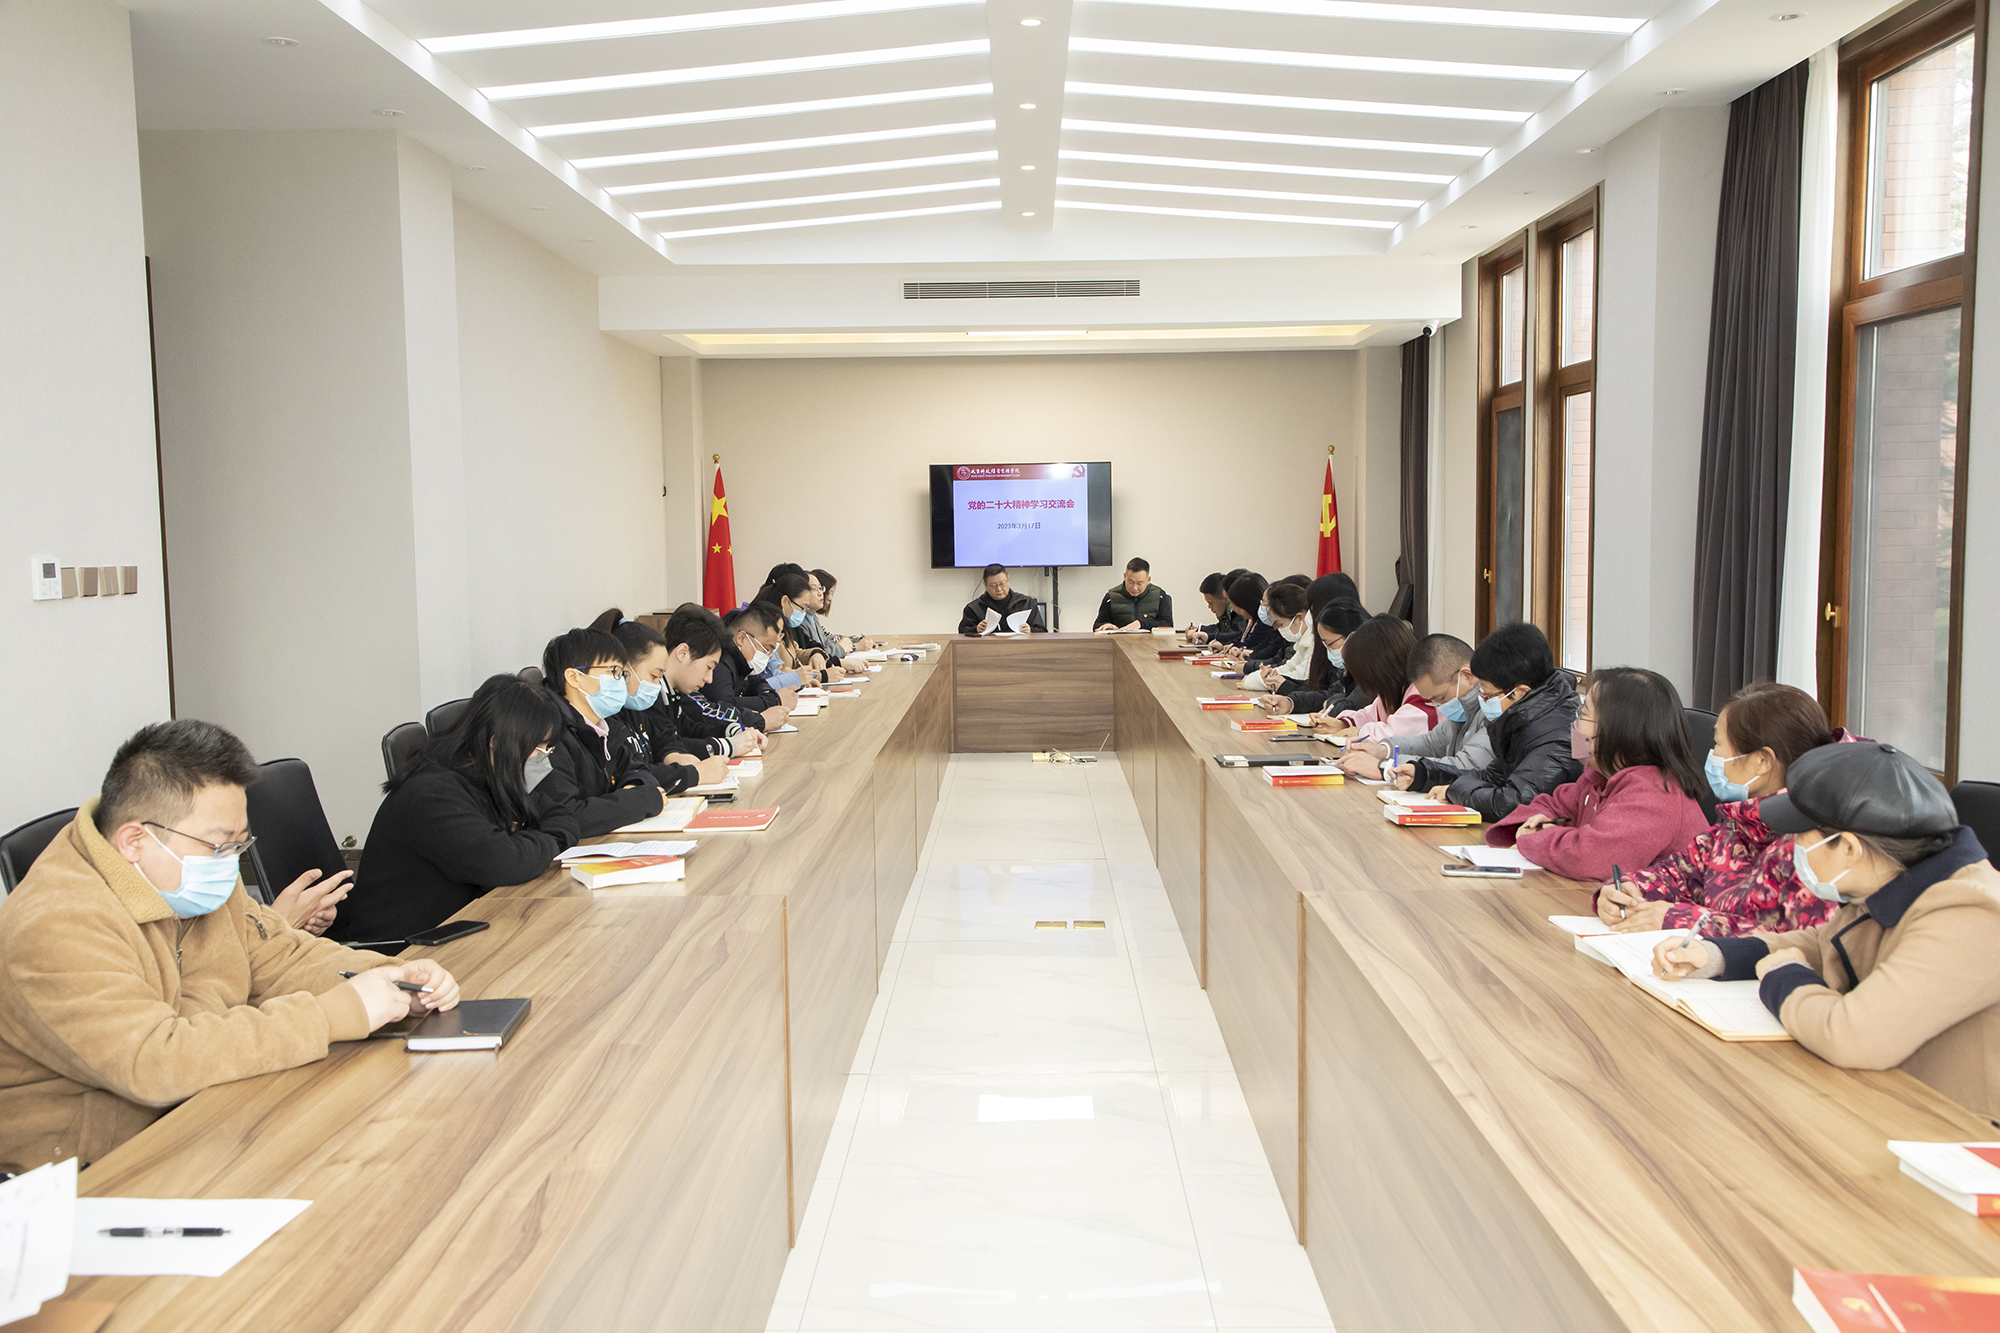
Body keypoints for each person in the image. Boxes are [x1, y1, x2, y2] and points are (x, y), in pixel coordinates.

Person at [0, 720, 459, 1174]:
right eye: (219, 846)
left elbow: (281, 955)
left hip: (203, 1114)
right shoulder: (55, 924)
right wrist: (332, 1015)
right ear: (135, 841)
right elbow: (154, 1060)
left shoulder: (186, 877)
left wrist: (392, 978)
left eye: (239, 846)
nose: (230, 865)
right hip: (84, 1173)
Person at [1653, 743, 2000, 1119]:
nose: (1792, 847)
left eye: (1802, 836)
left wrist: (1785, 976)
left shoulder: (1971, 913)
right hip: (1883, 1099)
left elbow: (1853, 1035)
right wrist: (1716, 956)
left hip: (1954, 1127)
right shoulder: (1893, 874)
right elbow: (1823, 944)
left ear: (1848, 848)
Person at [1598, 682, 1855, 935]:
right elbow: (1677, 874)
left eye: (1718, 744)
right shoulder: (1738, 824)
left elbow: (1801, 943)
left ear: (1762, 761)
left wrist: (1679, 918)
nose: (1712, 755)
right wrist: (1623, 891)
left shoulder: (1816, 844)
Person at [341, 676, 580, 946]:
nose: (543, 757)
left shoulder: (487, 775)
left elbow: (559, 812)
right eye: (538, 748)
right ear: (497, 742)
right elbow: (504, 862)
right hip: (403, 951)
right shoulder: (431, 793)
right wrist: (555, 840)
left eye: (548, 748)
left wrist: (545, 836)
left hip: (457, 930)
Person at [1483, 667, 1710, 881]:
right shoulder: (1599, 777)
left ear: (1616, 730)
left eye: (1583, 714)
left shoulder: (1655, 793)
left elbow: (1591, 858)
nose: (1574, 723)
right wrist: (1536, 826)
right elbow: (1551, 806)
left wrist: (1535, 837)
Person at [1402, 622, 1581, 822]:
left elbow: (1514, 803)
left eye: (1488, 695)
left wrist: (1455, 791)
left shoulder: (1558, 735)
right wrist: (1425, 774)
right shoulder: (1524, 720)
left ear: (1520, 692)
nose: (1483, 700)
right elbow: (1491, 777)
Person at [534, 626, 667, 838]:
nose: (621, 682)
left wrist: (635, 790)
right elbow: (565, 816)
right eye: (613, 672)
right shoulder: (547, 734)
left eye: (622, 674)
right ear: (574, 677)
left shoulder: (606, 727)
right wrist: (636, 801)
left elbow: (641, 772)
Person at [605, 613, 748, 781]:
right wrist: (694, 773)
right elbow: (629, 773)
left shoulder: (636, 710)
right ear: (621, 671)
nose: (657, 685)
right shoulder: (613, 716)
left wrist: (674, 755)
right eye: (654, 676)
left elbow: (665, 740)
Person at [1338, 634, 1494, 780]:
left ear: (1467, 675)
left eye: (1440, 698)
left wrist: (1386, 767)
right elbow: (1430, 744)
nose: (1440, 706)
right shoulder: (1464, 709)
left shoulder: (1493, 711)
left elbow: (1466, 766)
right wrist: (1382, 750)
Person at [1316, 615, 1437, 741]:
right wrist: (1343, 724)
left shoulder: (1424, 692)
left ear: (1377, 667)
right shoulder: (1394, 690)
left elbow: (1396, 734)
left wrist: (1359, 732)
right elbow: (1369, 716)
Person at [1253, 597, 1367, 715]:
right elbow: (1330, 694)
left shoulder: (1372, 667)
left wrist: (1331, 702)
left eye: (1330, 644)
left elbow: (1352, 705)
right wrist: (1290, 702)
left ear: (1352, 637)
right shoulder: (1349, 669)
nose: (1328, 651)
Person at [712, 602, 796, 719]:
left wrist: (766, 692)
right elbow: (726, 706)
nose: (766, 655)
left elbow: (755, 682)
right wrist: (774, 700)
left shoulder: (740, 660)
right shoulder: (720, 661)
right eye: (766, 649)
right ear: (741, 638)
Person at [1240, 581, 1313, 693]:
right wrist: (1261, 676)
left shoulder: (1314, 641)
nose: (1278, 629)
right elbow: (1289, 667)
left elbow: (1299, 677)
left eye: (1280, 624)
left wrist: (1259, 681)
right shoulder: (1302, 640)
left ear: (1300, 618)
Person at [958, 564, 1046, 635]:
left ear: (1008, 580)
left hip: (1020, 649)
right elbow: (962, 633)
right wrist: (976, 629)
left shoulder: (1027, 603)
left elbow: (1042, 632)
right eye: (993, 586)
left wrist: (1030, 630)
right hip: (987, 650)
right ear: (985, 585)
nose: (999, 589)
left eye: (1002, 584)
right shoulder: (974, 608)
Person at [1093, 558, 1173, 632]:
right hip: (1120, 641)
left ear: (1148, 580)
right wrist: (1107, 625)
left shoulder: (1160, 596)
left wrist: (1141, 624)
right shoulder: (1112, 597)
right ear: (1125, 576)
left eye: (1140, 583)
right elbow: (1097, 625)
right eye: (1130, 582)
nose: (1134, 588)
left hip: (1151, 641)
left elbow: (1168, 624)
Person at [1220, 572, 1284, 664]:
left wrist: (1246, 656)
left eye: (1265, 603)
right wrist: (1238, 648)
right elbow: (1254, 644)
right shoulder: (1253, 619)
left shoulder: (1267, 623)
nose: (1233, 607)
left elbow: (1269, 653)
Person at [811, 569, 877, 652]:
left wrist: (857, 640)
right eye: (830, 593)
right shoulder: (805, 621)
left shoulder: (813, 618)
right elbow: (823, 651)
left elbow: (829, 639)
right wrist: (854, 646)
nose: (830, 598)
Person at [1186, 572, 1242, 645]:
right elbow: (1220, 628)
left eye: (1211, 603)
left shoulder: (1239, 612)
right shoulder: (1228, 615)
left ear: (1225, 598)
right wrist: (1200, 629)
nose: (1209, 607)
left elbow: (1235, 635)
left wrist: (1208, 637)